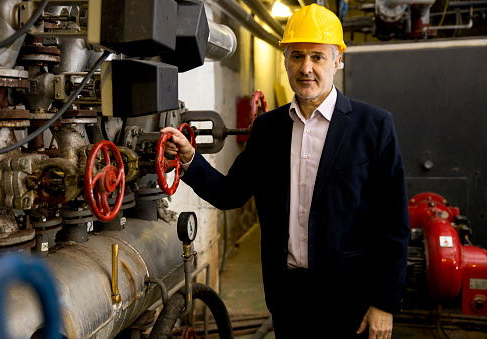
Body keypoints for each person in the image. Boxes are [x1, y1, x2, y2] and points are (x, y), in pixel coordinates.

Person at [162, 4, 410, 338]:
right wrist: (191, 158)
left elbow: (394, 224)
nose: (306, 68)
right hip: (288, 296)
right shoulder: (267, 128)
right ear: (285, 61)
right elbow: (230, 193)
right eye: (296, 56)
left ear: (337, 60)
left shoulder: (374, 126)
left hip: (352, 299)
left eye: (317, 57)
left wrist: (385, 302)